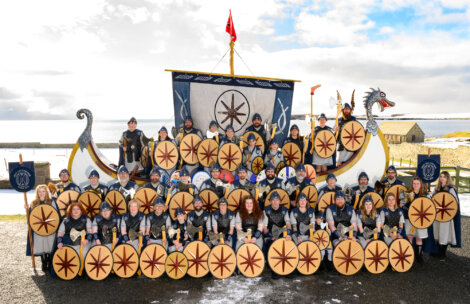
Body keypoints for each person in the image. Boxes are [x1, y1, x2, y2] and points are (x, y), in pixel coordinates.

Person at [25, 185, 59, 272]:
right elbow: (31, 218)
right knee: (41, 245)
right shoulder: (34, 203)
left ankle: (50, 260)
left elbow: (56, 215)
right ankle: (44, 261)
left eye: (43, 191)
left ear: (46, 192)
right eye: (39, 191)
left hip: (50, 227)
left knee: (49, 244)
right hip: (39, 229)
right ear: (37, 193)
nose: (41, 193)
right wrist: (27, 210)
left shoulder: (52, 202)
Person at [432, 171, 461, 260]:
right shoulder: (436, 189)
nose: (442, 178)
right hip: (437, 215)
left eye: (444, 177)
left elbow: (455, 203)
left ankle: (443, 254)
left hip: (446, 216)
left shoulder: (451, 189)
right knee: (436, 233)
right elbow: (432, 200)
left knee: (444, 234)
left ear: (447, 178)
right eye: (440, 176)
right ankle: (437, 251)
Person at [402, 176, 430, 263]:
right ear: (412, 184)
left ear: (420, 184)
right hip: (409, 218)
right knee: (409, 237)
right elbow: (401, 205)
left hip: (421, 220)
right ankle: (410, 256)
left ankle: (419, 257)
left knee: (419, 238)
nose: (416, 185)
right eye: (414, 183)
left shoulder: (425, 195)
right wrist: (407, 204)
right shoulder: (407, 193)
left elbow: (429, 207)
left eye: (417, 183)